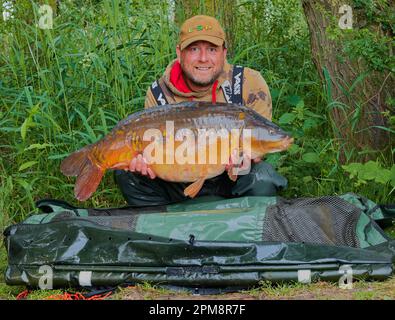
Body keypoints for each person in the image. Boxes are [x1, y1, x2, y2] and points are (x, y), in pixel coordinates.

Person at [114, 15, 287, 206]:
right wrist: (143, 164)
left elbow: (259, 144)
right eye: (194, 49)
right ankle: (164, 228)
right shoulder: (159, 93)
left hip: (233, 178)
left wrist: (242, 159)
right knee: (127, 175)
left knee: (263, 177)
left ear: (224, 52)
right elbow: (151, 153)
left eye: (212, 49)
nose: (203, 58)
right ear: (179, 53)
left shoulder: (249, 83)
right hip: (179, 176)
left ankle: (245, 230)